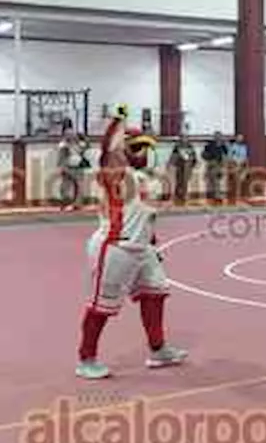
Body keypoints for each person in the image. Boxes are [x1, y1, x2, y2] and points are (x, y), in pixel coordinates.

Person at [76, 109, 187, 379]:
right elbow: (108, 151)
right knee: (102, 306)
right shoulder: (117, 173)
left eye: (146, 148)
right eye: (135, 147)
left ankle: (158, 349)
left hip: (142, 248)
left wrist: (152, 243)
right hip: (116, 247)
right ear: (124, 150)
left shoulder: (145, 178)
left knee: (156, 292)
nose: (142, 152)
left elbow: (144, 214)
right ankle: (86, 359)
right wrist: (118, 121)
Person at [167, 131, 197, 205]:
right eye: (182, 137)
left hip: (187, 166)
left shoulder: (190, 146)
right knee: (179, 180)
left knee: (185, 181)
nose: (184, 139)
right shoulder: (177, 146)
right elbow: (173, 156)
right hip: (179, 165)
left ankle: (184, 194)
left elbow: (194, 156)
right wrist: (170, 163)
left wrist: (193, 161)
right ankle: (178, 194)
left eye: (185, 137)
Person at [201, 132, 228, 202]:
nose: (218, 138)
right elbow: (204, 155)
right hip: (211, 164)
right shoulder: (209, 145)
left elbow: (226, 155)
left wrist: (224, 162)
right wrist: (210, 159)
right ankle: (216, 194)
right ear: (214, 137)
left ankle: (216, 194)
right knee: (214, 178)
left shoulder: (223, 146)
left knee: (216, 178)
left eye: (220, 137)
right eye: (217, 137)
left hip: (219, 164)